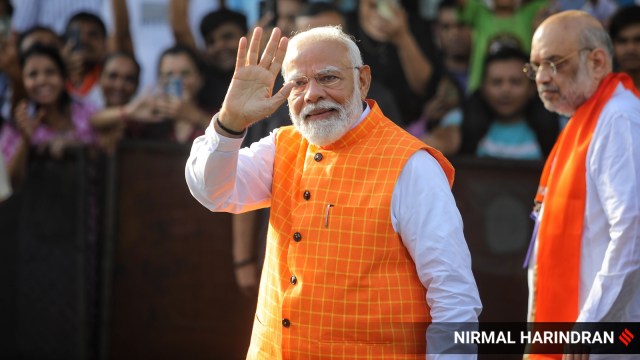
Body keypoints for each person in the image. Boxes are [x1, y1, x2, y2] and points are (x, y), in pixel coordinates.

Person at [185, 25, 481, 358]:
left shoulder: (411, 165)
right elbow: (212, 192)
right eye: (298, 83)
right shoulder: (282, 145)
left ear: (363, 80)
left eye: (328, 78)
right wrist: (230, 122)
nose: (311, 94)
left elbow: (453, 295)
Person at [524, 9, 640, 338]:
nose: (542, 77)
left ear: (598, 62)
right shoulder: (583, 120)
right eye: (536, 66)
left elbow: (633, 230)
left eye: (554, 62)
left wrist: (591, 323)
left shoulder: (619, 119)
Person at [1, 44, 98, 185]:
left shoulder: (87, 112)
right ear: (23, 80)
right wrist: (26, 141)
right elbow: (7, 183)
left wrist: (74, 148)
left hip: (87, 205)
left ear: (64, 77)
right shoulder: (17, 123)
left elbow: (105, 153)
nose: (42, 81)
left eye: (50, 72)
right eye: (33, 74)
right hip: (36, 206)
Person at [460, 46, 559, 160]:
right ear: (482, 88)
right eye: (496, 82)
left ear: (532, 88)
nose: (505, 90)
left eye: (515, 82)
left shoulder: (558, 128)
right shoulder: (460, 121)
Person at [608, 5, 640, 91]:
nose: (630, 49)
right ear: (612, 45)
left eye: (638, 40)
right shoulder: (603, 92)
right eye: (622, 41)